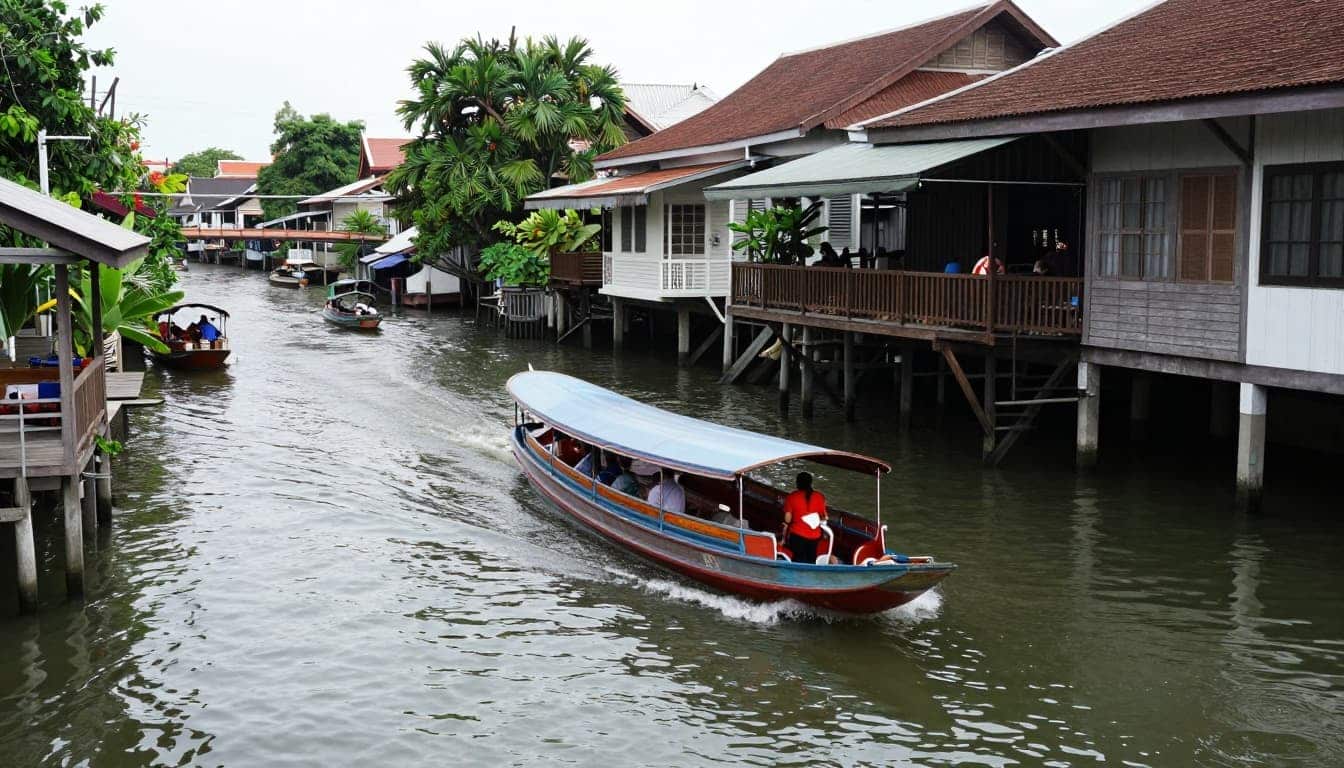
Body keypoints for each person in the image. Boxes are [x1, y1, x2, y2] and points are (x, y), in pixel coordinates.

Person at [782, 471, 827, 564]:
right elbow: (825, 517)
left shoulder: (792, 496)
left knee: (798, 559)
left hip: (797, 535)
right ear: (810, 483)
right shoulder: (819, 496)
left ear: (797, 483)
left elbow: (787, 519)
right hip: (815, 536)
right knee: (811, 560)